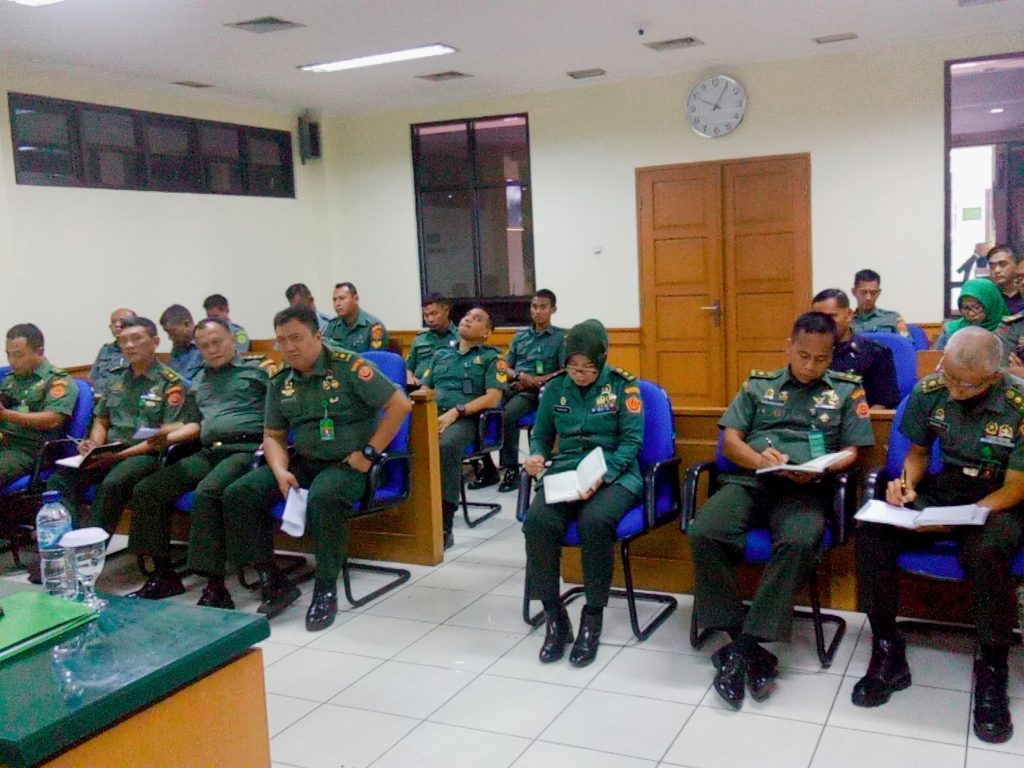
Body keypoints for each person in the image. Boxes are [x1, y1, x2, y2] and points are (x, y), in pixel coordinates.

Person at [688, 312, 874, 709]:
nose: (810, 366)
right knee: (704, 530)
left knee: (799, 541)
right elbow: (731, 441)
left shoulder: (847, 391)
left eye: (820, 358)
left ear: (832, 355)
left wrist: (822, 467)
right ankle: (744, 642)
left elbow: (854, 450)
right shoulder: (759, 384)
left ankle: (742, 649)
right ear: (789, 347)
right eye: (803, 355)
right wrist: (759, 459)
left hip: (805, 490)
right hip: (751, 481)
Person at [853, 327, 1024, 744]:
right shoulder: (932, 389)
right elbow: (917, 453)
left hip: (999, 497)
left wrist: (957, 520)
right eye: (949, 376)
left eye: (966, 384)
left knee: (986, 551)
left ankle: (993, 666)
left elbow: (1017, 486)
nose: (954, 389)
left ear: (994, 377)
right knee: (873, 530)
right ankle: (887, 648)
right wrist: (906, 485)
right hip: (947, 486)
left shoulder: (1018, 404)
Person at [221, 305, 411, 631]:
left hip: (349, 464)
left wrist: (368, 453)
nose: (289, 347)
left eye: (296, 338)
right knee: (240, 493)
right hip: (304, 462)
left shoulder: (349, 366)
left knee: (324, 497)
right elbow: (273, 436)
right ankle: (272, 579)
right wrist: (280, 471)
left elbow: (400, 404)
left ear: (318, 336)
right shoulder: (281, 380)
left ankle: (325, 588)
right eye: (282, 340)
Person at [522, 319, 643, 668]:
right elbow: (541, 434)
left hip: (615, 472)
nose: (579, 374)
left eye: (587, 367)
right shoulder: (555, 388)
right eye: (573, 366)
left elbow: (632, 441)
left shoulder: (624, 387)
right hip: (566, 472)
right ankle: (555, 618)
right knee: (538, 523)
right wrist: (537, 455)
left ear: (602, 359)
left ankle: (593, 617)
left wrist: (604, 477)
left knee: (595, 521)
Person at [125, 317, 268, 606]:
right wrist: (167, 437)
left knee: (207, 492)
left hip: (245, 449)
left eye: (217, 342)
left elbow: (278, 417)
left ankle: (215, 586)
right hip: (209, 450)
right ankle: (163, 574)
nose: (212, 350)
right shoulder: (199, 380)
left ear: (232, 340)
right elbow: (194, 424)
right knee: (149, 489)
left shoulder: (258, 373)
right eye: (204, 346)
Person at [46, 317, 194, 532]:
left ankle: (92, 547)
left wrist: (118, 456)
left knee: (112, 484)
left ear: (155, 342)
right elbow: (101, 419)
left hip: (145, 453)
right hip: (108, 451)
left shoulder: (171, 383)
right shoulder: (115, 379)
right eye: (123, 341)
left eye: (136, 339)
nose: (129, 345)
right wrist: (94, 445)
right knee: (60, 480)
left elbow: (169, 432)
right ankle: (67, 540)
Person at [417, 307, 505, 549]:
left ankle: (445, 523)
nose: (468, 320)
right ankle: (414, 510)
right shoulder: (441, 354)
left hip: (467, 419)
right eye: (467, 316)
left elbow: (493, 398)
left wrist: (457, 412)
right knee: (404, 440)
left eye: (477, 319)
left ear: (486, 333)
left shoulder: (492, 358)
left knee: (445, 446)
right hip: (433, 413)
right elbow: (425, 388)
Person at [493, 289, 566, 492]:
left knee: (507, 415)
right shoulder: (520, 337)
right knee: (487, 407)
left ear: (553, 309)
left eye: (543, 307)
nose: (537, 311)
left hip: (538, 392)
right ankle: (487, 466)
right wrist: (519, 376)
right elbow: (504, 367)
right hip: (515, 385)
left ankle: (511, 469)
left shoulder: (560, 337)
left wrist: (536, 380)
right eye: (534, 306)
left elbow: (564, 370)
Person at [0, 324, 79, 487]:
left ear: (40, 352)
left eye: (18, 355)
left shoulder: (58, 381)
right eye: (8, 354)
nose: (12, 361)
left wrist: (5, 415)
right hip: (5, 442)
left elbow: (53, 420)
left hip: (30, 450)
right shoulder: (10, 380)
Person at [811, 288, 900, 407]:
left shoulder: (876, 353)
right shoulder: (808, 354)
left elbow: (881, 405)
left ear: (849, 315)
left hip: (860, 417)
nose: (824, 324)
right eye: (819, 318)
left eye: (832, 316)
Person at [932, 278, 1007, 351]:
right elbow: (936, 358)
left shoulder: (1007, 331)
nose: (971, 314)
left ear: (991, 305)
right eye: (965, 308)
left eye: (976, 308)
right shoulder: (951, 331)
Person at [405, 293, 457, 388]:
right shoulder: (420, 339)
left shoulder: (461, 336)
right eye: (426, 315)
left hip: (449, 387)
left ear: (446, 311)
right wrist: (410, 378)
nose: (430, 319)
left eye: (434, 314)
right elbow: (408, 367)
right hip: (419, 388)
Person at [324, 282, 388, 352]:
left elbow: (376, 357)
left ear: (356, 299)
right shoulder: (332, 326)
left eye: (342, 298)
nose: (337, 304)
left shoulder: (374, 326)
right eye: (334, 300)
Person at [89, 308, 136, 399]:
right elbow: (93, 378)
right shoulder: (105, 350)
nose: (117, 325)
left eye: (122, 321)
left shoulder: (139, 350)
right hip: (100, 400)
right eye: (113, 322)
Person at [850, 269, 911, 339]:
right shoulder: (846, 321)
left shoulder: (892, 318)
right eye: (863, 292)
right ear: (854, 292)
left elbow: (906, 343)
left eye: (873, 293)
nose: (868, 297)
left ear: (878, 293)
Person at [159, 304, 204, 381]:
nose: (170, 337)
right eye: (167, 332)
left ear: (186, 324)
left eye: (172, 331)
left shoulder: (206, 344)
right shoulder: (178, 346)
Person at [985, 245, 1023, 315]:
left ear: (1016, 265)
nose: (996, 270)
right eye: (992, 266)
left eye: (1002, 264)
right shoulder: (986, 297)